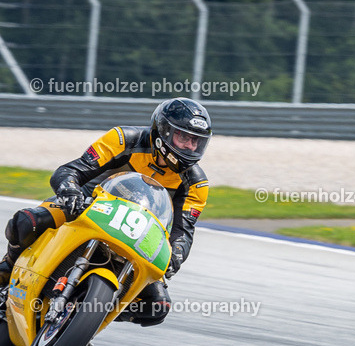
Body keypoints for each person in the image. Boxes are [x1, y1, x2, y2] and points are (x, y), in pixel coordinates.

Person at [0, 98, 212, 327]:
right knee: (26, 221)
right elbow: (71, 170)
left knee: (157, 307)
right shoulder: (124, 139)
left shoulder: (196, 184)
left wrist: (175, 256)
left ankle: (89, 316)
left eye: (196, 141)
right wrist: (70, 190)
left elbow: (183, 232)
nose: (191, 147)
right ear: (163, 130)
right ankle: (7, 268)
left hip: (139, 234)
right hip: (86, 207)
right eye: (184, 138)